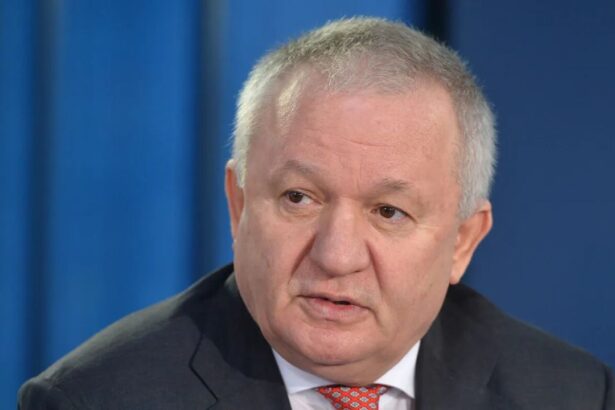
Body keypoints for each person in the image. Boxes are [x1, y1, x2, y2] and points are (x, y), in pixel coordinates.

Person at [19, 17, 613, 410]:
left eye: (388, 211)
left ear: (462, 242)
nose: (336, 255)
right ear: (239, 204)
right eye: (299, 198)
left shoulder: (572, 394)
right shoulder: (95, 400)